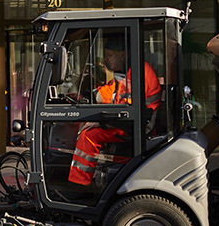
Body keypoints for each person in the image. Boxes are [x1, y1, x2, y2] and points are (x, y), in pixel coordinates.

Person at [68, 36, 161, 186]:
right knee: (85, 123)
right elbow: (111, 91)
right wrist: (86, 96)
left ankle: (79, 184)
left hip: (138, 126)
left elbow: (127, 109)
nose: (106, 59)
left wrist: (101, 123)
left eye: (110, 55)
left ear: (122, 55)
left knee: (89, 135)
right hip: (132, 122)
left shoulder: (137, 73)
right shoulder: (130, 70)